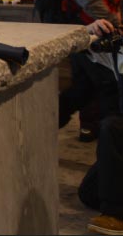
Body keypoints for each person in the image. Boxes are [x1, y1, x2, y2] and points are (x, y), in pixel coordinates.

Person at [60, 0, 123, 141]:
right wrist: (115, 22)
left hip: (98, 33)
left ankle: (49, 122)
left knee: (83, 90)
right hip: (89, 34)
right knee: (109, 89)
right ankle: (110, 147)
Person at [76, 19, 123, 236]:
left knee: (111, 127)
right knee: (88, 193)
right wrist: (90, 30)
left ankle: (114, 215)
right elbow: (76, 45)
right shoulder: (117, 51)